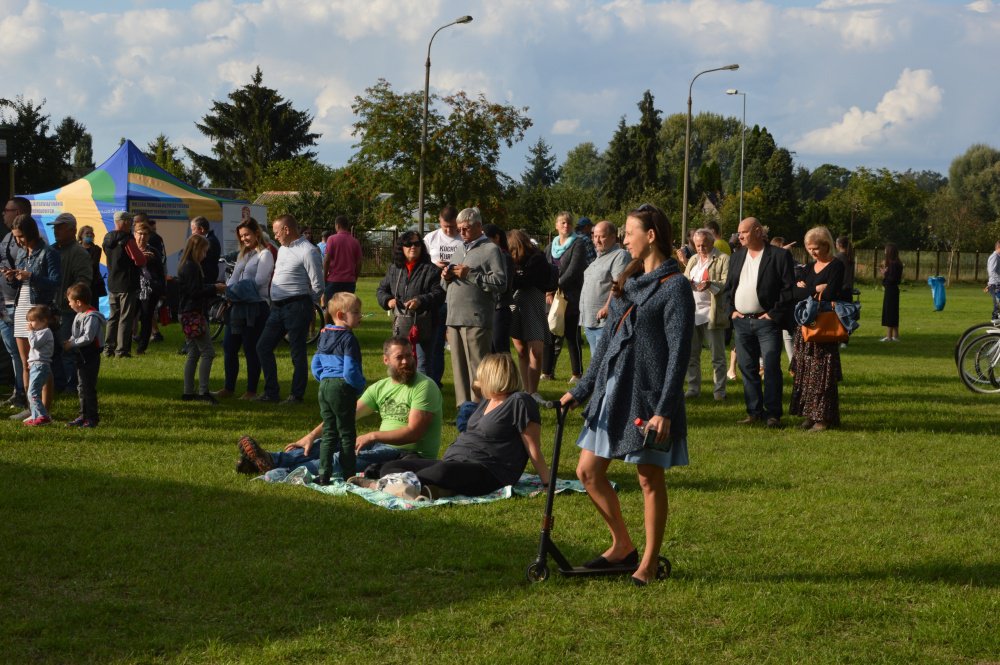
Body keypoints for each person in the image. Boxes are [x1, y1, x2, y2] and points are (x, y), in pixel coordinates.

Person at [559, 203, 694, 586]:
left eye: (630, 231)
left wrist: (665, 408)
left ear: (650, 236)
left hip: (650, 398)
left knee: (648, 477)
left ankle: (649, 562)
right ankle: (622, 545)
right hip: (612, 390)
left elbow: (679, 352)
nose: (625, 238)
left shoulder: (675, 287)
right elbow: (604, 347)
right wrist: (581, 390)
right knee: (587, 471)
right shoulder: (627, 282)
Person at [238, 337, 443, 478]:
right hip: (381, 446)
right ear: (386, 360)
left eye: (409, 355)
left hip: (408, 456)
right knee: (328, 443)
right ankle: (270, 459)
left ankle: (283, 472)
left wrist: (372, 436)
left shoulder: (424, 387)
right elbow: (345, 416)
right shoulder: (382, 387)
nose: (407, 361)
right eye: (400, 357)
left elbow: (414, 433)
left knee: (343, 457)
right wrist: (311, 436)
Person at [374, 353, 549, 497]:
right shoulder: (487, 401)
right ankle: (430, 490)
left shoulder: (520, 401)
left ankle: (393, 486)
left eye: (483, 377)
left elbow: (533, 446)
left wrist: (548, 483)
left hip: (489, 469)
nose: (479, 382)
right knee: (390, 467)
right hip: (456, 460)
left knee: (442, 471)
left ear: (494, 377)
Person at [723, 216, 796, 429]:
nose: (739, 236)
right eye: (738, 232)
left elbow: (787, 288)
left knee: (771, 366)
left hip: (767, 323)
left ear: (757, 231)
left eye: (743, 232)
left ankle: (773, 414)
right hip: (742, 322)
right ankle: (754, 412)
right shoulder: (736, 257)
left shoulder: (779, 256)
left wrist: (773, 314)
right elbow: (729, 288)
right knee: (747, 367)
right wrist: (731, 312)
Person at [441, 207, 508, 406]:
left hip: (476, 318)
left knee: (478, 370)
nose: (461, 233)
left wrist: (470, 275)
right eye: (459, 228)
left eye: (466, 228)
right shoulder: (460, 248)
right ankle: (465, 411)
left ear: (479, 226)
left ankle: (482, 410)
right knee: (459, 370)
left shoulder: (491, 250)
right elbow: (446, 284)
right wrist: (445, 277)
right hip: (454, 317)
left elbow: (501, 283)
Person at [256, 214, 324, 403]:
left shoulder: (308, 251)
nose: (275, 236)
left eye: (277, 232)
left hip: (297, 306)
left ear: (287, 229)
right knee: (263, 346)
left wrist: (305, 302)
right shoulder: (283, 249)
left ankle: (296, 394)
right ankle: (271, 392)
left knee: (297, 352)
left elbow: (318, 285)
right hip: (277, 307)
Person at [4, 214, 60, 422]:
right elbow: (20, 285)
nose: (18, 241)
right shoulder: (21, 253)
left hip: (39, 310)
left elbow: (55, 282)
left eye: (20, 236)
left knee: (42, 363)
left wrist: (31, 277)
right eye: (15, 237)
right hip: (22, 310)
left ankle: (45, 410)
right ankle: (31, 408)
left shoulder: (48, 253)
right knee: (26, 363)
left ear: (30, 233)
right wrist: (13, 278)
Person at [790, 227, 845, 432]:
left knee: (822, 374)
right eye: (809, 248)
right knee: (805, 372)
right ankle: (810, 415)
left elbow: (831, 293)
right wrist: (814, 289)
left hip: (823, 328)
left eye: (816, 248)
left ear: (826, 245)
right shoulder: (808, 267)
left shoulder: (836, 266)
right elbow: (795, 292)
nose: (812, 252)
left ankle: (823, 417)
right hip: (805, 327)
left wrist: (807, 290)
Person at [213, 217, 274, 400]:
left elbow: (259, 282)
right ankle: (229, 388)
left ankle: (251, 391)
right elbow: (233, 279)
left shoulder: (266, 254)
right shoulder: (244, 255)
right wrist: (229, 291)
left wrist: (231, 290)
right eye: (241, 236)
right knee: (229, 347)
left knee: (250, 349)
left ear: (257, 233)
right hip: (237, 307)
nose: (244, 239)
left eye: (247, 235)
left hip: (256, 307)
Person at [312, 292, 366, 484]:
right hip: (341, 387)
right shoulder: (348, 339)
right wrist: (360, 386)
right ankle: (349, 474)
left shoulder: (324, 335)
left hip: (325, 386)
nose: (360, 316)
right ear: (342, 315)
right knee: (347, 433)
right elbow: (350, 369)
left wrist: (323, 379)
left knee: (329, 432)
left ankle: (323, 474)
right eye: (357, 312)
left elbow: (315, 364)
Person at [375, 231, 443, 375]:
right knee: (400, 362)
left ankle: (424, 394)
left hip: (425, 325)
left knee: (422, 365)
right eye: (408, 244)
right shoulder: (394, 268)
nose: (413, 247)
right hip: (401, 325)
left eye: (417, 244)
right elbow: (381, 290)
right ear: (401, 247)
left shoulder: (431, 269)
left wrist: (420, 301)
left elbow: (439, 294)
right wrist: (388, 301)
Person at [1, 197, 40, 410]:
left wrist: (20, 275)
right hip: (6, 301)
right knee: (14, 353)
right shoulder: (8, 237)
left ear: (18, 213)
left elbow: (45, 277)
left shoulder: (33, 244)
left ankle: (29, 400)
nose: (3, 213)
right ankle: (19, 392)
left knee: (25, 356)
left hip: (21, 305)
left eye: (7, 210)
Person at [177, 234, 225, 402]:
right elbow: (194, 291)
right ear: (197, 249)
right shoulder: (192, 267)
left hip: (187, 312)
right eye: (204, 251)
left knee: (193, 352)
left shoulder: (187, 265)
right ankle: (203, 391)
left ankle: (188, 391)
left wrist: (211, 287)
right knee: (208, 352)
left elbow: (194, 288)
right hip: (194, 313)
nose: (205, 254)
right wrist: (214, 288)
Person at [47, 213, 92, 394]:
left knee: (67, 350)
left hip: (68, 310)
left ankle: (70, 386)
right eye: (55, 227)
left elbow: (83, 281)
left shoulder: (79, 253)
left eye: (60, 227)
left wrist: (70, 300)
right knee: (52, 350)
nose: (56, 230)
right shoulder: (51, 250)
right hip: (50, 309)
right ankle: (58, 384)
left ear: (73, 230)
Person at [684, 228, 730, 401]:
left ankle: (719, 391)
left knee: (717, 355)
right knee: (691, 354)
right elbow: (685, 277)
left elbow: (727, 283)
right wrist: (687, 282)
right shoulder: (694, 259)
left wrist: (710, 284)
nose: (700, 248)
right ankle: (693, 388)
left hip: (713, 311)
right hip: (693, 311)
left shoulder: (723, 259)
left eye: (704, 245)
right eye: (697, 245)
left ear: (712, 243)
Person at [542, 211, 587, 383]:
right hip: (551, 297)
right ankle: (546, 372)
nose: (565, 226)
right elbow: (545, 268)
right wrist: (548, 291)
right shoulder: (550, 246)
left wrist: (555, 286)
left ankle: (577, 373)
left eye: (568, 223)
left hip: (570, 297)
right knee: (550, 334)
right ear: (556, 225)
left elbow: (574, 270)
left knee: (571, 335)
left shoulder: (578, 244)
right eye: (562, 223)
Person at [506, 230, 551, 397]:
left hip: (533, 303)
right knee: (521, 349)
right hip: (514, 303)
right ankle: (527, 390)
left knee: (536, 349)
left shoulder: (537, 259)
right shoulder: (508, 259)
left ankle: (534, 391)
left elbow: (528, 280)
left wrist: (515, 278)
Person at [423, 205, 462, 386]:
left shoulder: (464, 238)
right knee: (436, 341)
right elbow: (422, 263)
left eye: (452, 226)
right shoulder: (431, 238)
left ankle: (466, 381)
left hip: (459, 295)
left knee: (459, 344)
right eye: (446, 226)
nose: (449, 230)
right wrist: (434, 266)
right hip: (437, 296)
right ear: (439, 221)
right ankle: (434, 381)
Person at [579, 220, 629, 352]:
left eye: (602, 236)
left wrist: (608, 307)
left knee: (605, 366)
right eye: (595, 236)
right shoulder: (598, 257)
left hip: (605, 322)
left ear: (613, 237)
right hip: (591, 321)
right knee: (597, 365)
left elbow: (618, 283)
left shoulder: (619, 255)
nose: (597, 240)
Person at [103, 211, 147, 358]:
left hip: (112, 282)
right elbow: (139, 260)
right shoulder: (127, 239)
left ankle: (108, 348)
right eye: (131, 222)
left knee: (113, 317)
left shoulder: (107, 238)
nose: (132, 225)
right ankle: (121, 351)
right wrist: (143, 255)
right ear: (126, 222)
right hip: (127, 283)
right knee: (125, 318)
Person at [62, 282, 105, 428]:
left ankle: (92, 418)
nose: (69, 304)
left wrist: (72, 344)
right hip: (81, 355)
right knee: (81, 386)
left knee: (88, 387)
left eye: (70, 301)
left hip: (90, 356)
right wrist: (69, 341)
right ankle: (83, 415)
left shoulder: (91, 317)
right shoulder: (79, 315)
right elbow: (76, 335)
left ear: (78, 302)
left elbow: (88, 337)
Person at [133, 221, 166, 355]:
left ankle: (142, 347)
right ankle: (124, 344)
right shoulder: (130, 250)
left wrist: (161, 289)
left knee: (147, 317)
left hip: (150, 289)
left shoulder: (153, 251)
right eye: (140, 234)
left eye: (145, 234)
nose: (142, 237)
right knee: (130, 316)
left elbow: (160, 271)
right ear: (135, 234)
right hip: (133, 287)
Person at [483, 223, 514, 354]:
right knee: (490, 348)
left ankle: (506, 374)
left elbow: (504, 284)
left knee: (500, 347)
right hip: (490, 306)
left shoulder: (504, 256)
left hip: (500, 307)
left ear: (496, 238)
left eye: (486, 239)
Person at [23, 305, 55, 426]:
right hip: (36, 365)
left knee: (33, 393)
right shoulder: (39, 332)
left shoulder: (45, 332)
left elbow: (34, 344)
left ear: (44, 321)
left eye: (32, 320)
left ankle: (42, 416)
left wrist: (31, 332)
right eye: (29, 321)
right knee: (32, 392)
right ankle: (36, 416)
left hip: (41, 365)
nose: (30, 324)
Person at [323, 215, 362, 298]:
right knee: (347, 308)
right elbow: (359, 263)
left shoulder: (331, 239)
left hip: (334, 279)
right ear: (347, 226)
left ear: (337, 225)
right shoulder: (355, 241)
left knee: (331, 307)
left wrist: (324, 277)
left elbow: (327, 260)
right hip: (349, 280)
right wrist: (355, 277)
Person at [77, 225, 107, 306]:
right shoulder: (76, 248)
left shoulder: (97, 249)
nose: (90, 235)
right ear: (81, 235)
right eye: (87, 233)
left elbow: (93, 264)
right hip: (78, 283)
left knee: (93, 307)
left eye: (91, 233)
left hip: (93, 284)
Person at [880, 243, 903, 342]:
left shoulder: (893, 264)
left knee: (889, 312)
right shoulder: (897, 263)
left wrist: (885, 274)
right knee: (893, 312)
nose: (884, 251)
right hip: (894, 290)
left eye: (886, 250)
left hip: (891, 290)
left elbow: (891, 279)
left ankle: (889, 336)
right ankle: (895, 335)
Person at [190, 216, 222, 284]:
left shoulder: (209, 242)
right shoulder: (211, 239)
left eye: (193, 229)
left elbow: (195, 257)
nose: (192, 233)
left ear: (201, 229)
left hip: (206, 278)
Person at [987, 240, 1000, 320]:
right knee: (997, 303)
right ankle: (995, 319)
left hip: (997, 283)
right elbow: (991, 271)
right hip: (995, 285)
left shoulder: (998, 257)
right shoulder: (995, 257)